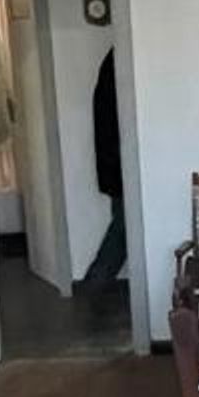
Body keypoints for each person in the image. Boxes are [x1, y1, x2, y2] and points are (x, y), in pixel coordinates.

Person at [77, 46, 127, 295]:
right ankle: (95, 282)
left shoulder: (112, 63)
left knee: (123, 226)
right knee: (124, 228)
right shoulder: (120, 61)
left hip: (115, 162)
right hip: (120, 163)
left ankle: (95, 282)